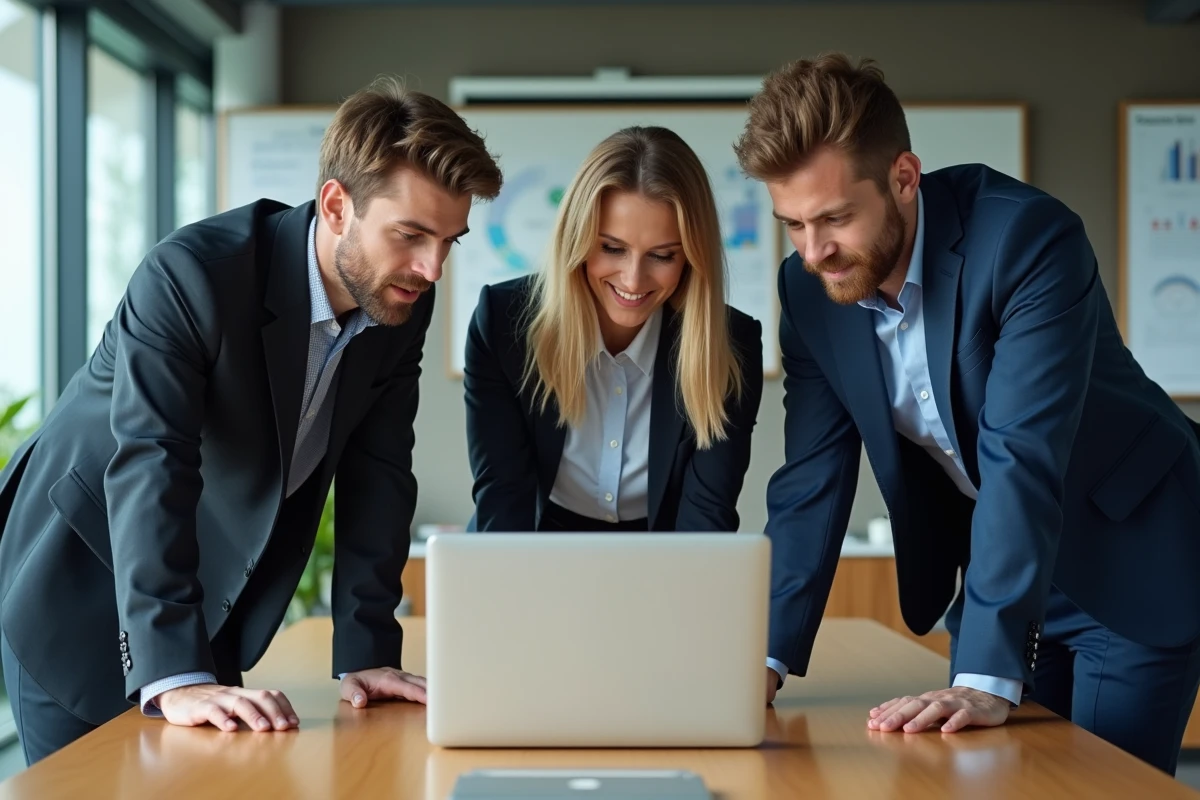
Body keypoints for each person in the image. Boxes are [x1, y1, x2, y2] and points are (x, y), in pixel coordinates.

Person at [0, 77, 502, 765]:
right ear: (336, 206)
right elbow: (154, 460)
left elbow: (377, 471)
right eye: (411, 235)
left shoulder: (397, 298)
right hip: (81, 582)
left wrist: (366, 651)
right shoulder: (192, 276)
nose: (431, 268)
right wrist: (174, 673)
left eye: (450, 241)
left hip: (203, 604)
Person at [735, 53, 1200, 775]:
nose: (815, 250)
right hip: (1008, 569)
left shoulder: (1027, 240)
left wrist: (982, 677)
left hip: (1131, 551)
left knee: (1104, 789)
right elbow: (810, 481)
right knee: (982, 777)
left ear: (904, 177)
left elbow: (1022, 451)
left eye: (834, 218)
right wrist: (759, 662)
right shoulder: (808, 291)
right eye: (791, 223)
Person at [464, 126, 763, 533]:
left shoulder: (730, 344)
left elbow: (706, 518)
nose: (634, 280)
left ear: (692, 258)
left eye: (661, 255)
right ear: (578, 239)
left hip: (666, 559)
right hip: (534, 546)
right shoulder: (502, 323)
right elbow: (503, 499)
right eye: (612, 248)